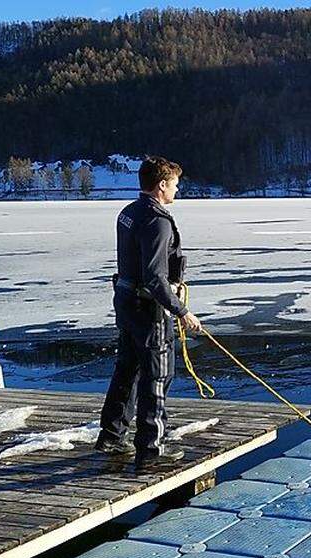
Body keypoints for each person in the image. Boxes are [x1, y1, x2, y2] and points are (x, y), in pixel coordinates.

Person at [95, 156, 202, 469]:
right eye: (175, 185)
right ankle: (151, 449)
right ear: (162, 185)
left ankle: (112, 436)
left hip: (127, 303)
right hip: (148, 310)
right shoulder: (157, 220)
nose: (177, 191)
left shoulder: (129, 212)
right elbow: (155, 276)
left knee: (128, 368)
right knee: (157, 374)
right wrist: (181, 311)